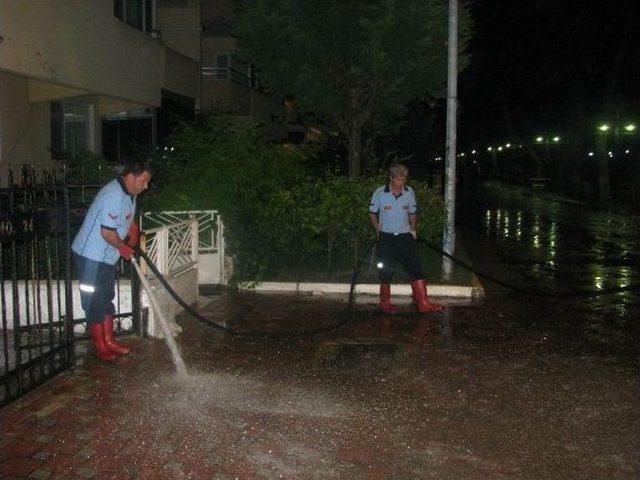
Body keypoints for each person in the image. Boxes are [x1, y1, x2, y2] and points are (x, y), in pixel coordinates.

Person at [71, 161, 151, 361]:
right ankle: (100, 345)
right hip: (91, 254)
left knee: (106, 296)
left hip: (107, 255)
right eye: (144, 181)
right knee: (93, 301)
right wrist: (123, 247)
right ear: (131, 176)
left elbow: (127, 221)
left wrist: (132, 231)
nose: (146, 186)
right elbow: (107, 232)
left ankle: (109, 340)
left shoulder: (130, 195)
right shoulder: (113, 194)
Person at [369, 163, 442, 314]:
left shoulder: (409, 192)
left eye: (403, 180)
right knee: (386, 270)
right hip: (386, 238)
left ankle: (423, 303)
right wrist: (378, 230)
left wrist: (413, 230)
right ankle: (385, 303)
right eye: (398, 180)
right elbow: (372, 213)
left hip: (405, 237)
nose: (401, 183)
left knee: (415, 267)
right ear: (391, 178)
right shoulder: (380, 193)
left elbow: (412, 213)